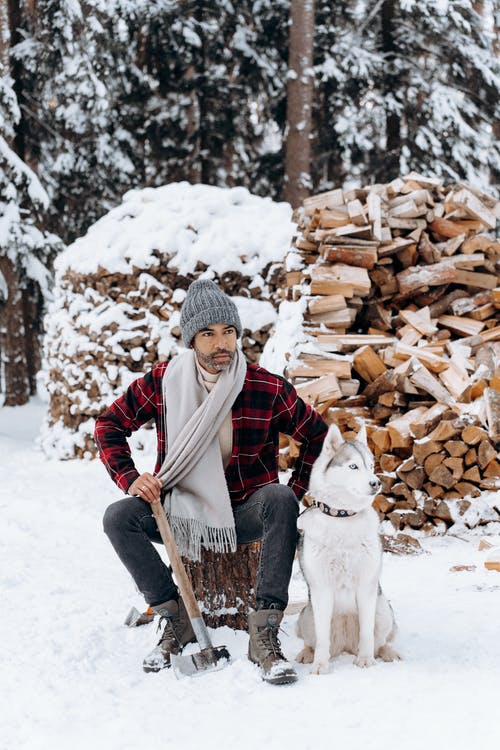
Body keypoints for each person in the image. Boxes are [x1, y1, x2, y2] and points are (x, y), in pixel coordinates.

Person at [95, 279, 327, 684]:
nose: (221, 343)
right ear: (191, 340)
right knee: (119, 517)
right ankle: (175, 616)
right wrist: (131, 479)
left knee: (279, 500)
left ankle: (264, 633)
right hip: (179, 511)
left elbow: (316, 434)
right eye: (208, 334)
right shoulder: (163, 382)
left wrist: (295, 491)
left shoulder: (264, 386)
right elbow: (109, 424)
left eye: (228, 332)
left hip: (246, 512)